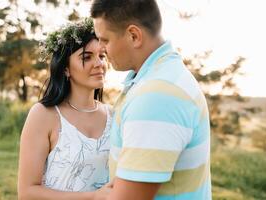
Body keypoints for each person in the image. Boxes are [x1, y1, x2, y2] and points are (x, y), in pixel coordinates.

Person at [91, 0, 212, 200]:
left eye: (105, 40)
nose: (101, 49)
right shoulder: (162, 77)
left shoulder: (156, 96)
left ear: (134, 36)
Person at [18, 18, 113, 200]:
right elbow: (27, 192)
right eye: (86, 57)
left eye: (102, 56)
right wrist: (93, 197)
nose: (99, 63)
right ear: (66, 69)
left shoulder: (114, 115)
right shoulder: (44, 115)